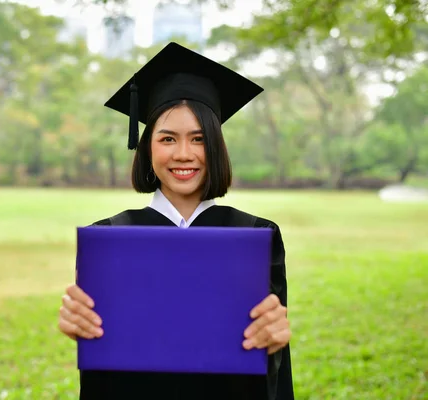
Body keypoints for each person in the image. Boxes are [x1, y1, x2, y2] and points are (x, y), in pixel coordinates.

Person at [57, 42, 294, 400]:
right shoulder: (108, 239)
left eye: (198, 139)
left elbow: (267, 366)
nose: (184, 154)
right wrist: (79, 322)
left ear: (215, 146)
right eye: (168, 138)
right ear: (147, 147)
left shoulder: (257, 236)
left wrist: (274, 341)